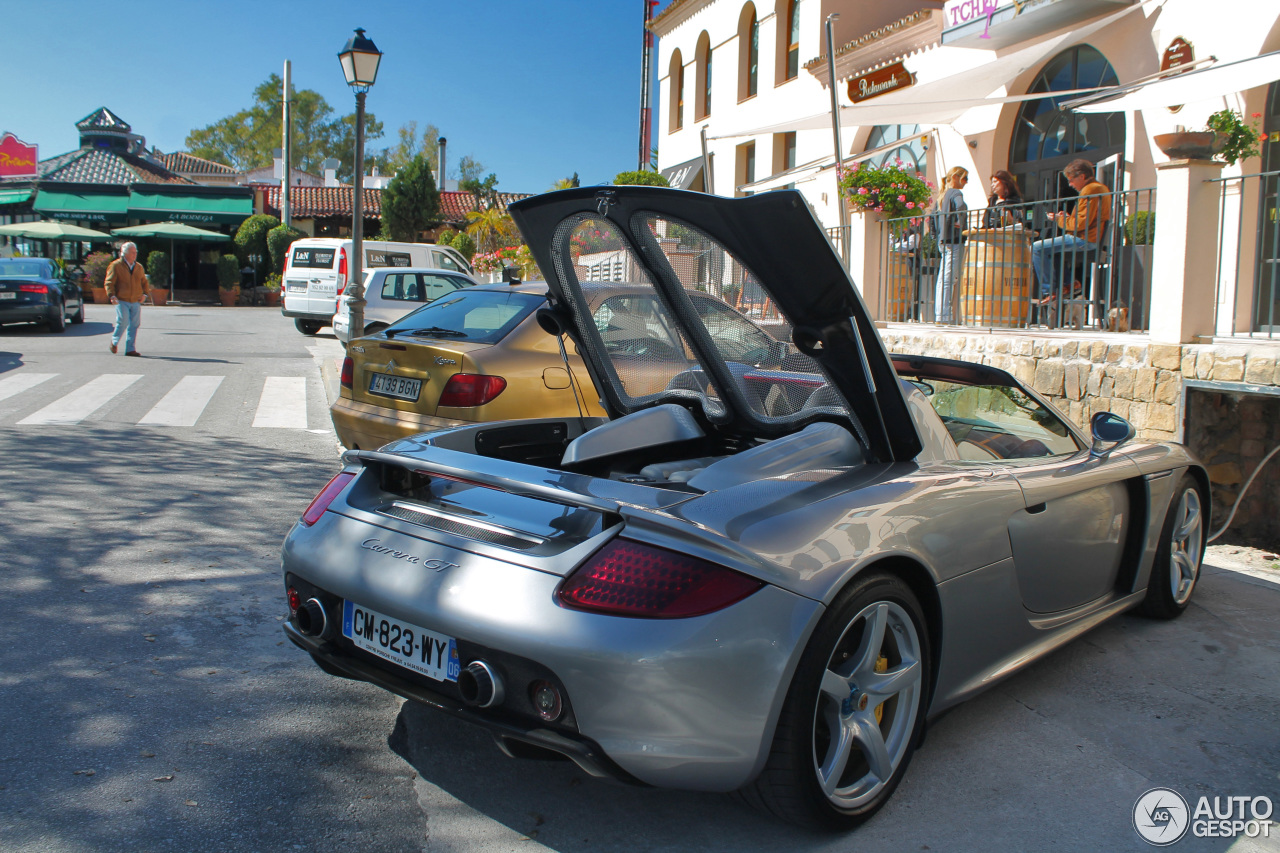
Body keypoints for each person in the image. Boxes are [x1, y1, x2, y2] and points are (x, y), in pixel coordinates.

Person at [1031, 159, 1111, 304]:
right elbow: (1085, 219)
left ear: (1082, 176)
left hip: (1085, 239)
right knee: (1050, 248)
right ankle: (1069, 284)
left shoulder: (1090, 190)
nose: (1070, 184)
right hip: (1089, 237)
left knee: (1036, 248)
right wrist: (1067, 218)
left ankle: (1049, 291)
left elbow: (1081, 223)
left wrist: (1058, 220)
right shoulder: (1099, 188)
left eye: (1071, 180)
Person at [929, 166, 969, 324]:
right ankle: (943, 316)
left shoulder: (942, 195)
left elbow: (931, 218)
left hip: (942, 240)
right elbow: (961, 207)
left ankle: (940, 315)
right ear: (955, 178)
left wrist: (935, 235)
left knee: (942, 278)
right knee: (948, 278)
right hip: (953, 240)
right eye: (965, 178)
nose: (966, 182)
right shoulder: (956, 193)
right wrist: (960, 223)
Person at [105, 242, 151, 356]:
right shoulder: (116, 265)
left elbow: (144, 282)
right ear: (125, 253)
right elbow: (109, 282)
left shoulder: (138, 267)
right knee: (123, 321)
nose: (135, 255)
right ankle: (114, 342)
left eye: (135, 252)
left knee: (134, 324)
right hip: (121, 299)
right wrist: (112, 295)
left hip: (135, 300)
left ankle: (130, 349)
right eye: (132, 252)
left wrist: (145, 294)